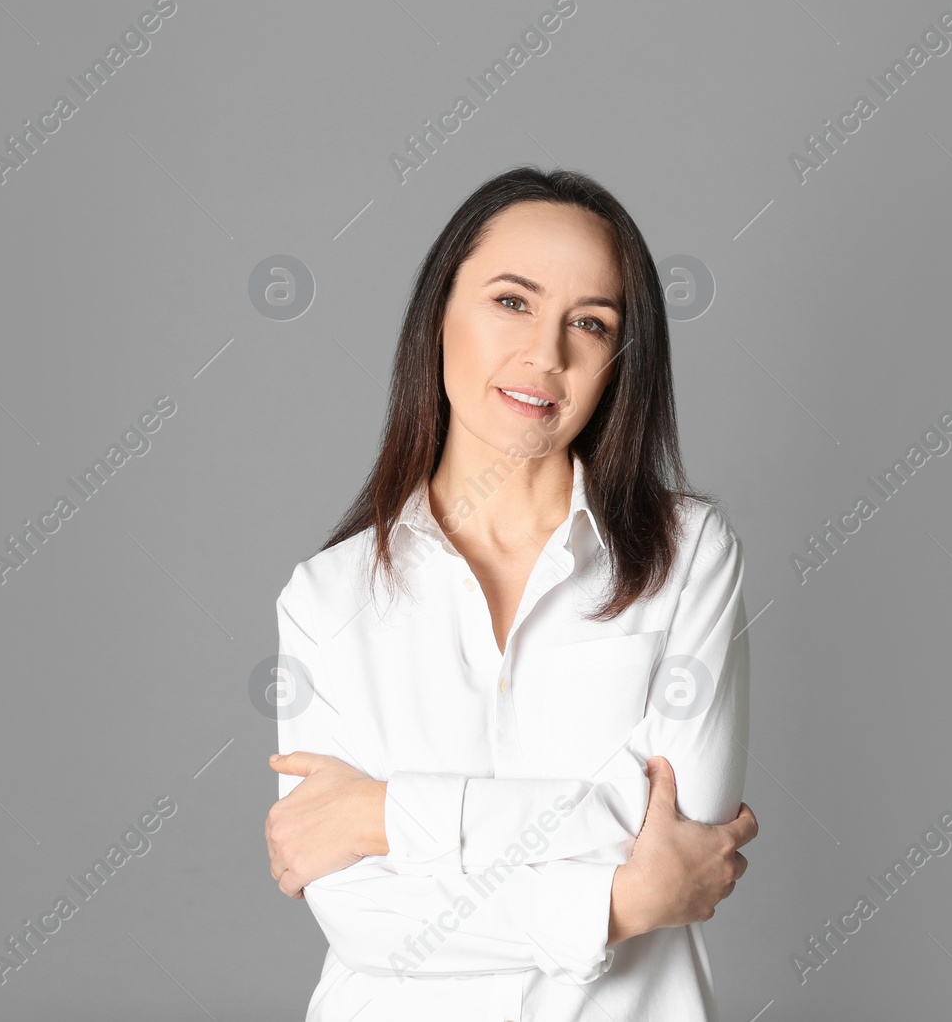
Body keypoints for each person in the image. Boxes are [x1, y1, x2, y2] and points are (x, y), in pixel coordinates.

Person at [264, 166, 758, 1021]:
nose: (547, 354)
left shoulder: (688, 558)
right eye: (512, 301)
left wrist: (386, 815)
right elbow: (361, 916)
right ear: (441, 314)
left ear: (618, 363)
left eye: (590, 323)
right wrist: (624, 902)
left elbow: (688, 828)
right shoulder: (326, 597)